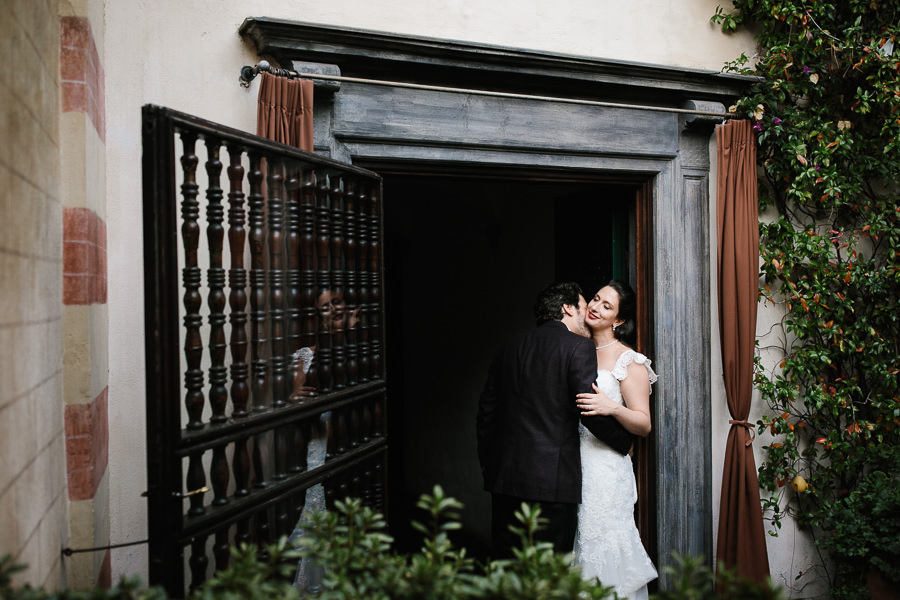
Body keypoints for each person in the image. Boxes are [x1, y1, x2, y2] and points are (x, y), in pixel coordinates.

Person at [476, 282, 634, 558]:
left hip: (504, 482)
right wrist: (623, 442)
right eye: (584, 307)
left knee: (507, 568)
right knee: (548, 574)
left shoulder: (507, 348)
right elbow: (587, 407)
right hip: (551, 484)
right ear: (567, 308)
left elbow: (486, 415)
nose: (588, 314)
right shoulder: (578, 347)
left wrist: (491, 467)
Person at [573, 279, 658, 599]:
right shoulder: (575, 350)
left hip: (607, 469)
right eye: (595, 299)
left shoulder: (629, 360)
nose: (595, 307)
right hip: (575, 462)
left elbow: (644, 424)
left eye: (606, 306)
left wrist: (611, 407)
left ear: (619, 320)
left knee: (604, 541)